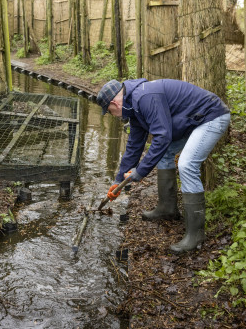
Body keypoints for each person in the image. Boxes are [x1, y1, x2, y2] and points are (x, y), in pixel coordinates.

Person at [97, 78, 230, 253]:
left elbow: (162, 136)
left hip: (211, 116)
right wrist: (118, 180)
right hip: (192, 120)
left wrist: (141, 171)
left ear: (114, 103)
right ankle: (167, 208)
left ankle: (195, 234)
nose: (112, 115)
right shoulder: (133, 106)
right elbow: (134, 146)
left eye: (109, 111)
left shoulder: (145, 97)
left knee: (187, 164)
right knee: (164, 155)